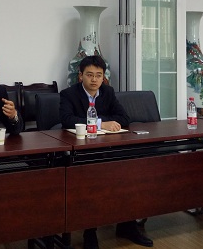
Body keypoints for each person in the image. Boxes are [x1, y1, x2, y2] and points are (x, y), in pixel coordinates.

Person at [59, 55, 153, 249]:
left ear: (103, 77)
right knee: (94, 178)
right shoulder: (68, 94)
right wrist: (102, 123)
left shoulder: (107, 92)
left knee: (129, 171)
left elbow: (124, 118)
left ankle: (127, 225)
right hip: (82, 152)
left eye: (98, 75)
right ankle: (90, 231)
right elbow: (67, 120)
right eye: (89, 75)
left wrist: (104, 122)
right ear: (80, 76)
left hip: (108, 147)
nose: (94, 79)